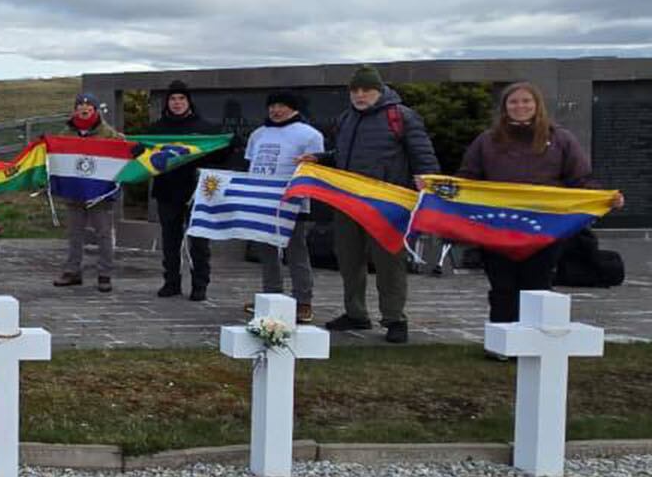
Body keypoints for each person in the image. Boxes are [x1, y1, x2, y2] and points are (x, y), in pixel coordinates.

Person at [457, 81, 622, 324]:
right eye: (513, 101)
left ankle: (535, 340)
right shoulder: (486, 141)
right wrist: (437, 189)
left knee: (537, 286)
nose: (520, 106)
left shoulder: (560, 139)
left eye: (526, 101)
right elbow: (467, 178)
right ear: (504, 107)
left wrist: (605, 198)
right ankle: (502, 342)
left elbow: (580, 178)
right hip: (499, 227)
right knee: (503, 287)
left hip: (544, 228)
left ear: (537, 105)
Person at [302, 65, 439, 344]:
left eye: (366, 90)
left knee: (389, 262)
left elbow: (423, 154)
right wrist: (320, 158)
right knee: (349, 259)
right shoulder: (346, 118)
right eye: (356, 90)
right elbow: (342, 154)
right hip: (348, 201)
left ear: (379, 91)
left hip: (386, 205)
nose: (360, 95)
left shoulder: (401, 116)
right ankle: (355, 312)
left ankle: (394, 318)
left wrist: (429, 183)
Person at [243, 91, 324, 320]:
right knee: (266, 252)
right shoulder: (258, 134)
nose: (276, 110)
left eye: (281, 106)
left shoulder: (310, 135)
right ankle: (271, 295)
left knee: (296, 252)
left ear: (294, 108)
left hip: (291, 202)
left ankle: (303, 301)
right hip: (261, 201)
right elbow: (251, 165)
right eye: (272, 106)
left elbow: (315, 169)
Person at [146, 81, 224, 301]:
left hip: (197, 192)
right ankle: (171, 281)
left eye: (181, 98)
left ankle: (200, 284)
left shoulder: (206, 129)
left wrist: (230, 144)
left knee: (199, 241)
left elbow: (218, 158)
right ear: (167, 103)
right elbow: (144, 155)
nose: (177, 103)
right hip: (167, 192)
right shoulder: (156, 131)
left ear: (188, 101)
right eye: (172, 99)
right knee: (170, 240)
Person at [53, 93, 123, 293]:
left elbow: (121, 151)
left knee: (103, 234)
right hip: (74, 191)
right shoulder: (66, 133)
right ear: (75, 110)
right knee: (75, 233)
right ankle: (72, 271)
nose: (84, 111)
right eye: (80, 107)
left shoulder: (108, 133)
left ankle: (104, 274)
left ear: (95, 110)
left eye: (88, 108)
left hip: (99, 193)